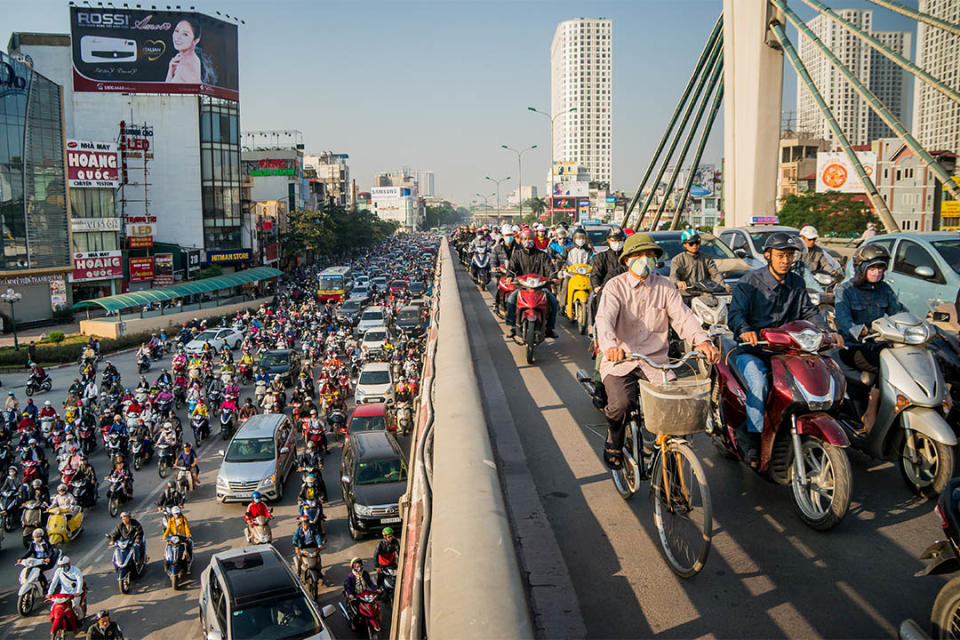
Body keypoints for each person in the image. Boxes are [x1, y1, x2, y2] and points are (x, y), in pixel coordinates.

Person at [595, 232, 719, 470]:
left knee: (677, 409)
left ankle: (671, 466)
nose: (645, 259)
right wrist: (610, 346)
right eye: (639, 255)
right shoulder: (615, 287)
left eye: (650, 255)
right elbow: (605, 319)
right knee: (622, 403)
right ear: (627, 259)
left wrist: (702, 341)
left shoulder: (665, 286)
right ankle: (614, 440)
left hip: (657, 364)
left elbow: (683, 317)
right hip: (622, 360)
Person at [728, 232, 844, 464]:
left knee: (826, 371)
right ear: (768, 255)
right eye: (780, 255)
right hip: (755, 349)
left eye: (790, 255)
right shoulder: (749, 283)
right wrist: (745, 330)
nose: (785, 260)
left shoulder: (796, 282)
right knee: (759, 382)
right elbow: (736, 314)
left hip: (789, 351)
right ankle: (754, 438)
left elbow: (809, 311)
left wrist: (826, 331)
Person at [834, 244, 905, 433]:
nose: (877, 273)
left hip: (882, 346)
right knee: (887, 366)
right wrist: (862, 331)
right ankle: (871, 412)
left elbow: (899, 313)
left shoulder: (886, 290)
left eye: (880, 268)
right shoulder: (846, 290)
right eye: (872, 268)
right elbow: (844, 324)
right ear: (861, 268)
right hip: (854, 348)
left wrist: (921, 324)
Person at [505, 228, 559, 339]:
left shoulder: (542, 255)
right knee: (511, 300)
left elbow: (550, 268)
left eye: (529, 238)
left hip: (541, 287)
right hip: (522, 287)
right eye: (524, 239)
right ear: (520, 240)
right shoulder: (517, 255)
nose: (527, 241)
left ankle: (549, 328)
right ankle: (512, 327)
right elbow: (511, 268)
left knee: (553, 302)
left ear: (534, 240)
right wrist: (509, 276)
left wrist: (553, 277)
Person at [292, 514, 325, 579]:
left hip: (312, 545)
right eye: (304, 524)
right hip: (302, 546)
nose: (306, 525)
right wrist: (296, 547)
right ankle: (298, 572)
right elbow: (295, 538)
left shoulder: (313, 528)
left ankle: (319, 571)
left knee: (317, 557)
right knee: (299, 558)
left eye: (307, 523)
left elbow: (317, 535)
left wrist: (319, 544)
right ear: (301, 524)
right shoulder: (299, 530)